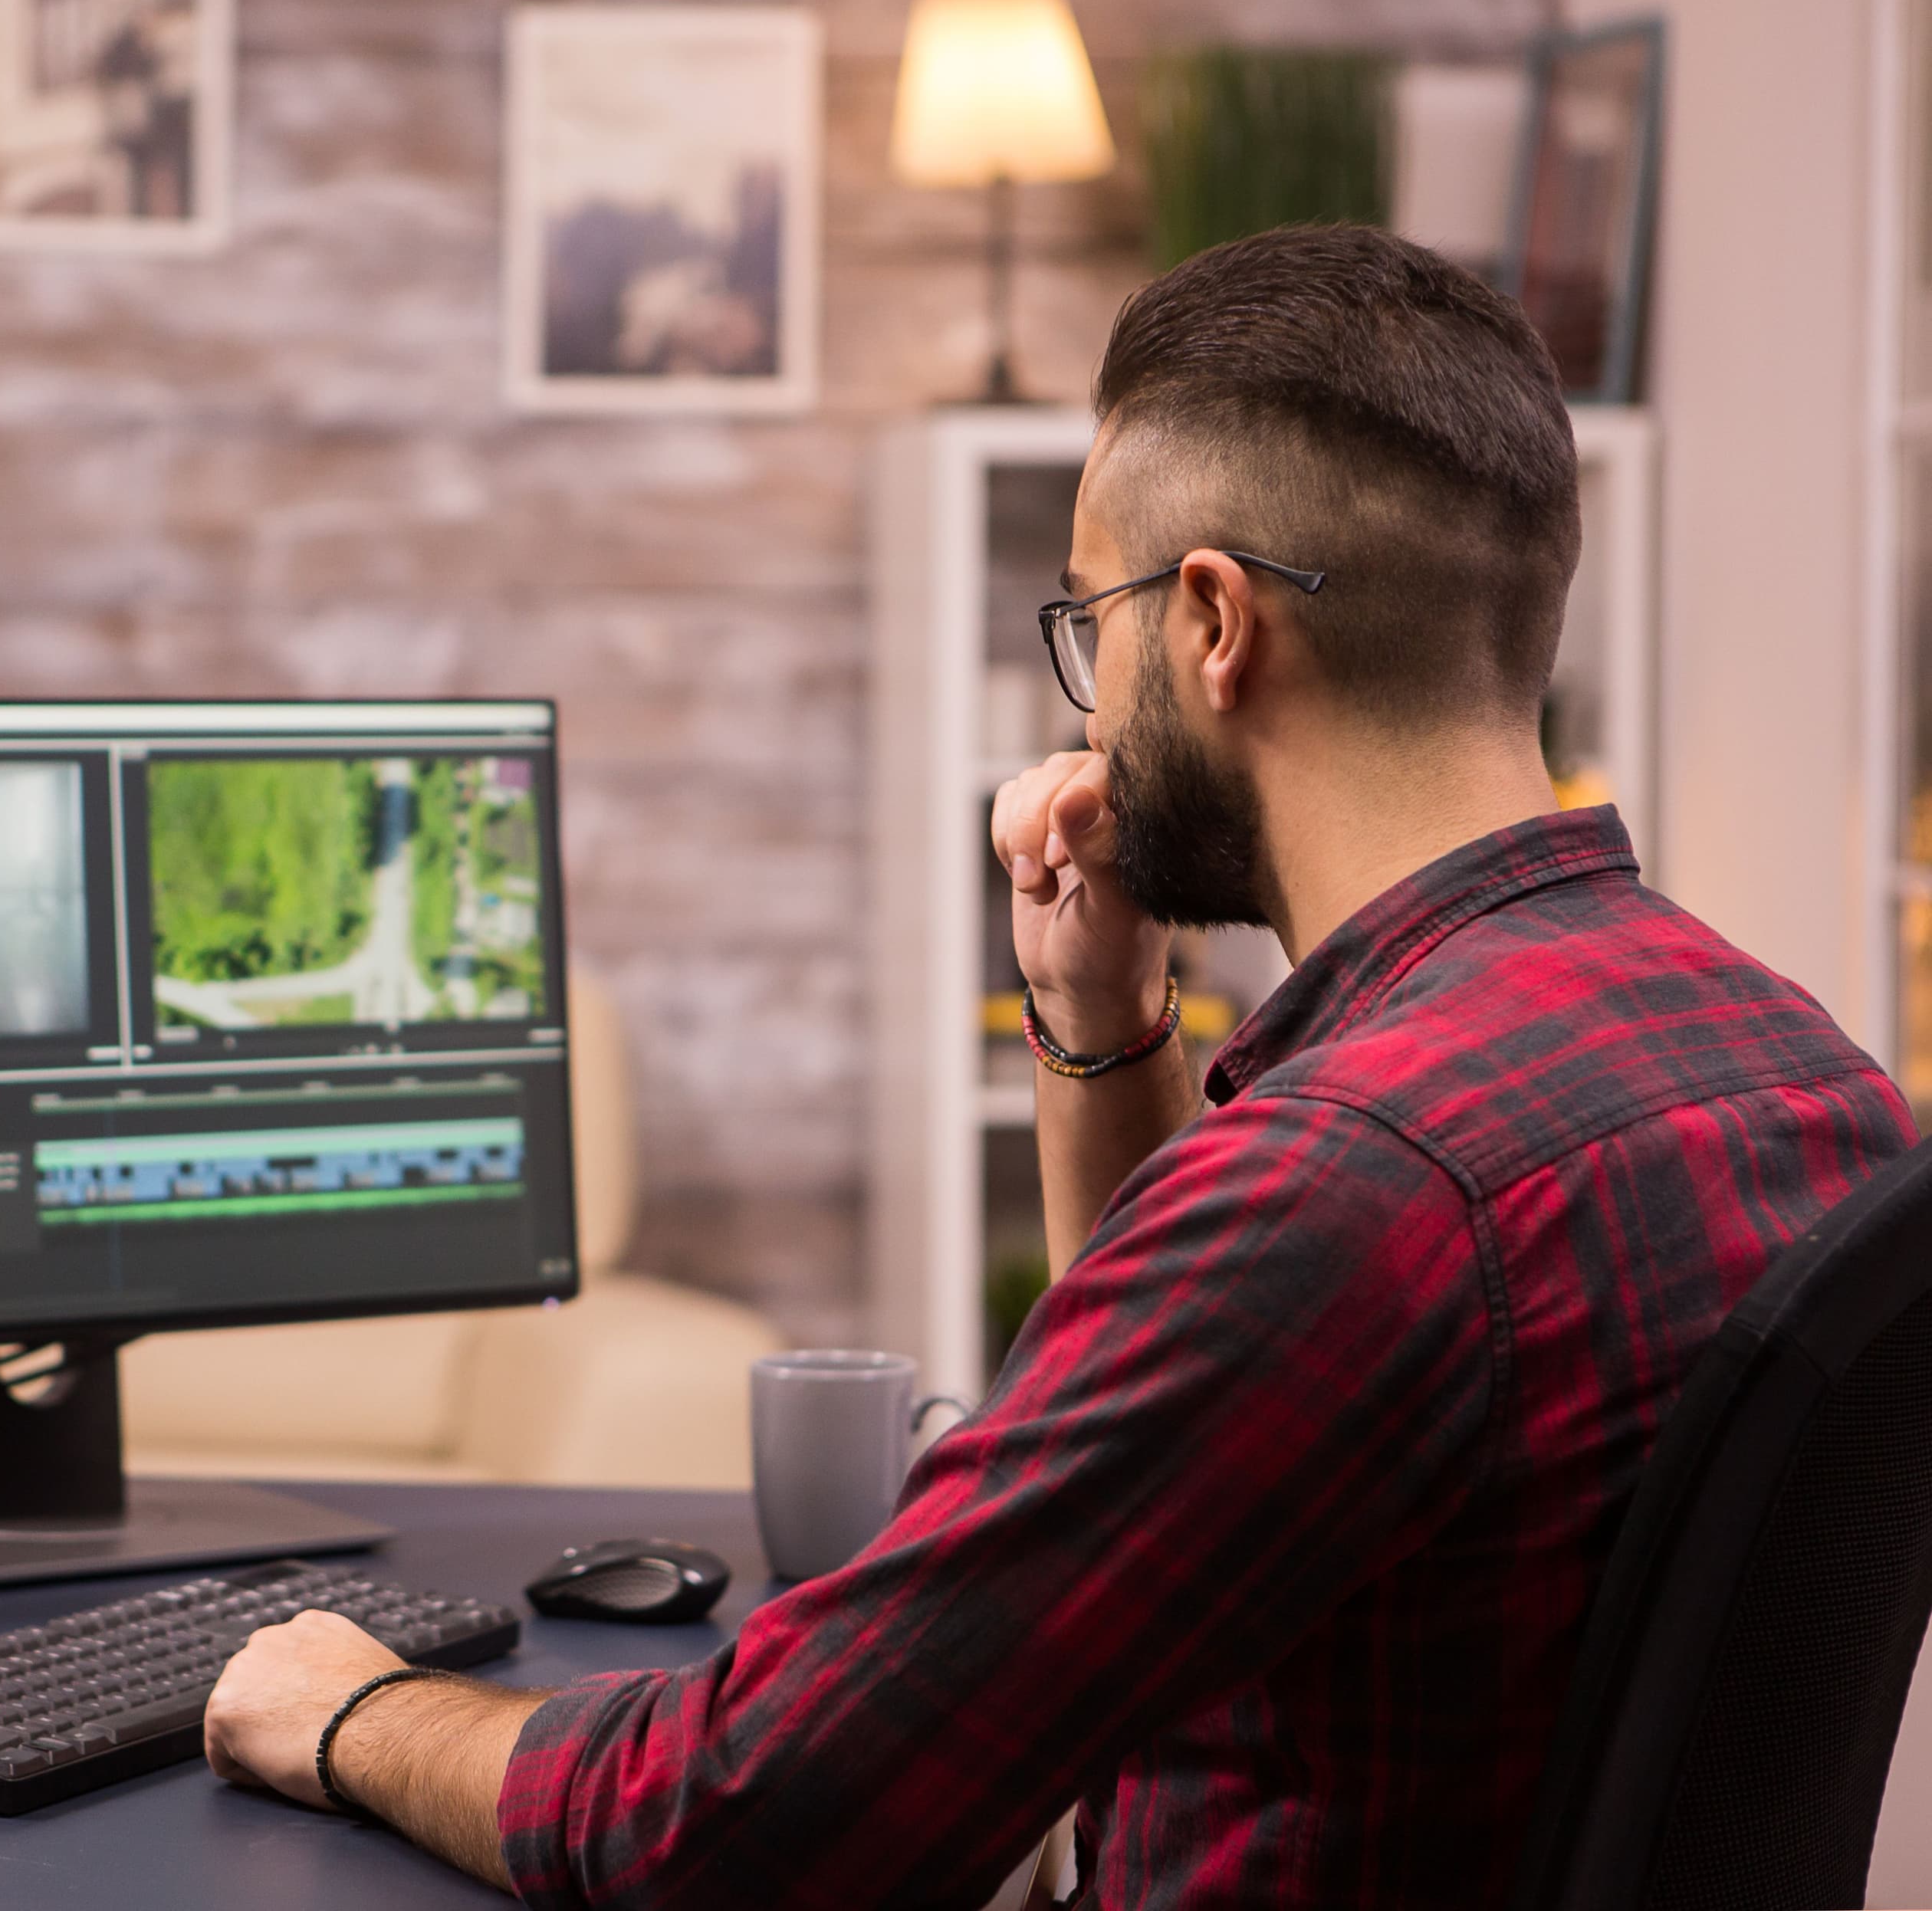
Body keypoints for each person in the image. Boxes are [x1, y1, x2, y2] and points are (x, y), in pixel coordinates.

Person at [199, 225, 1915, 1908]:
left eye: (1093, 622)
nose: (1088, 712)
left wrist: (359, 1713)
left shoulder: (1359, 1184)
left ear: (1215, 625)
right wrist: (1105, 1028)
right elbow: (1177, 1474)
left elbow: (745, 1822)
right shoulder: (1801, 1069)